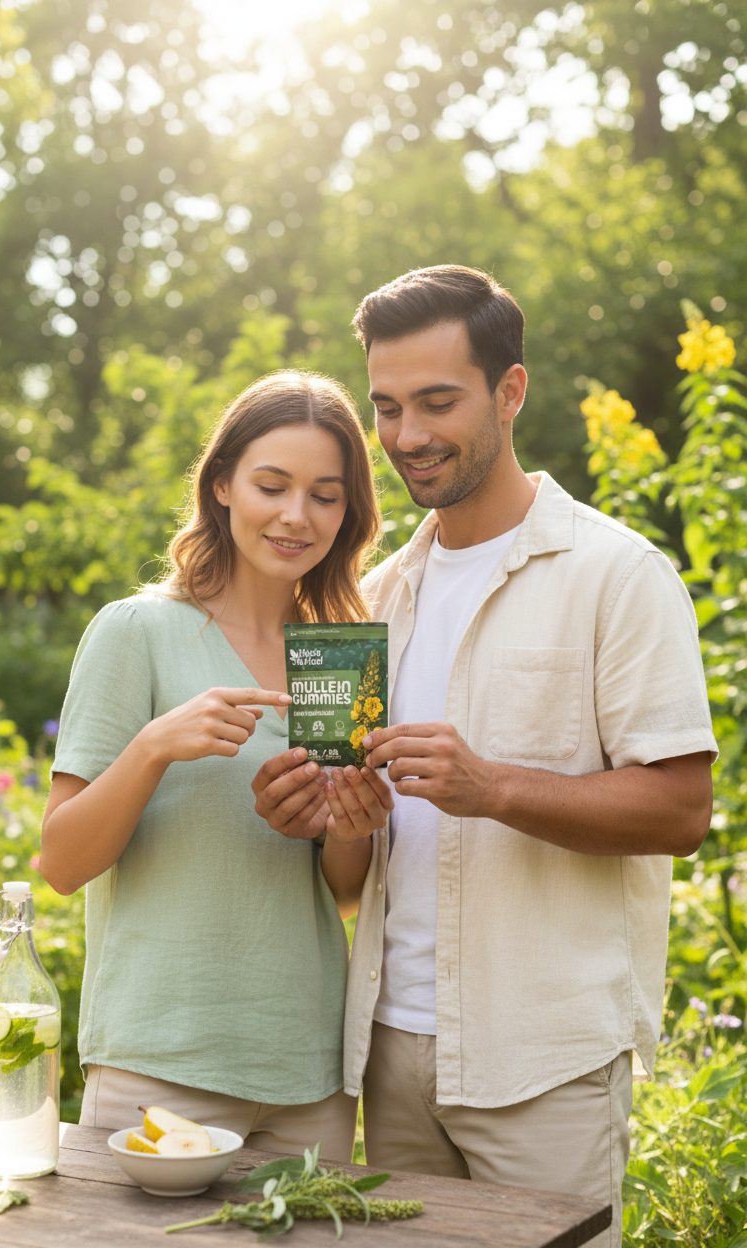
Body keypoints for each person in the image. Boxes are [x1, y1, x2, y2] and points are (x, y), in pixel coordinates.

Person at [253, 266, 716, 1245]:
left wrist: (493, 786)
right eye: (386, 407)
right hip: (390, 1049)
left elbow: (681, 812)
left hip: (544, 1059)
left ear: (510, 392)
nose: (406, 435)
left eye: (436, 402)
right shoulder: (373, 599)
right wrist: (332, 819)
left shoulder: (617, 575)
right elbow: (349, 882)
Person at [39, 369, 393, 1161]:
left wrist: (351, 825)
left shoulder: (339, 657)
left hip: (309, 1071)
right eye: (272, 485)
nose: (297, 515)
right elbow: (61, 863)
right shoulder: (135, 632)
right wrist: (155, 746)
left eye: (325, 495)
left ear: (349, 512)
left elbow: (340, 893)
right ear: (223, 484)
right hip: (161, 1059)